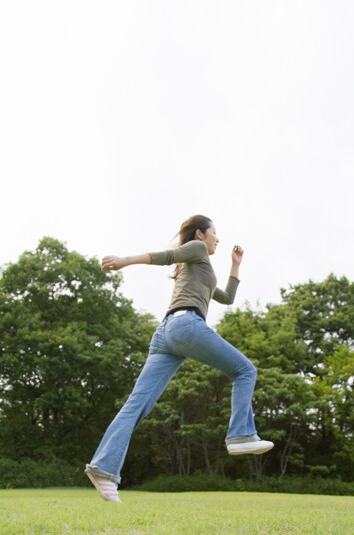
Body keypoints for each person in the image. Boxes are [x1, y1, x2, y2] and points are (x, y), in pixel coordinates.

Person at [85, 214, 273, 502]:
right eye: (215, 234)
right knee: (245, 371)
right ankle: (240, 435)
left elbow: (226, 297)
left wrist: (235, 267)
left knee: (137, 404)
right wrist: (125, 260)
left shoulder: (200, 267)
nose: (218, 239)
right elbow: (167, 254)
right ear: (200, 234)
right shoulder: (196, 251)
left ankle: (103, 469)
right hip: (186, 326)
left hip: (166, 335)